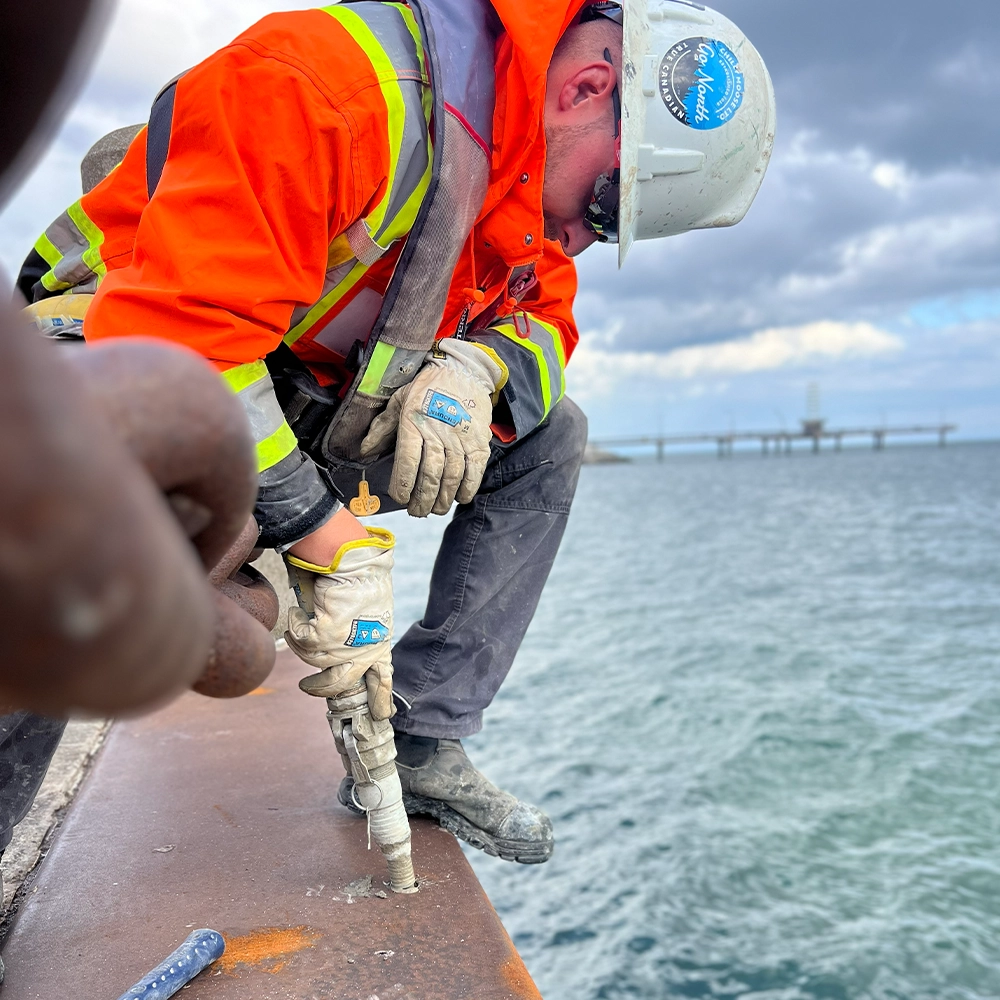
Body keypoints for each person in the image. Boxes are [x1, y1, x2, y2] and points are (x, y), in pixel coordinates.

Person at [17, 0, 775, 864]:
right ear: (585, 89)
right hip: (104, 360)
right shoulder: (330, 86)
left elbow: (549, 324)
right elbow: (178, 337)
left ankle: (419, 740)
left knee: (551, 437)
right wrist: (323, 533)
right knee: (65, 547)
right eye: (605, 206)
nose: (586, 239)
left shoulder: (526, 189)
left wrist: (477, 370)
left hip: (295, 399)